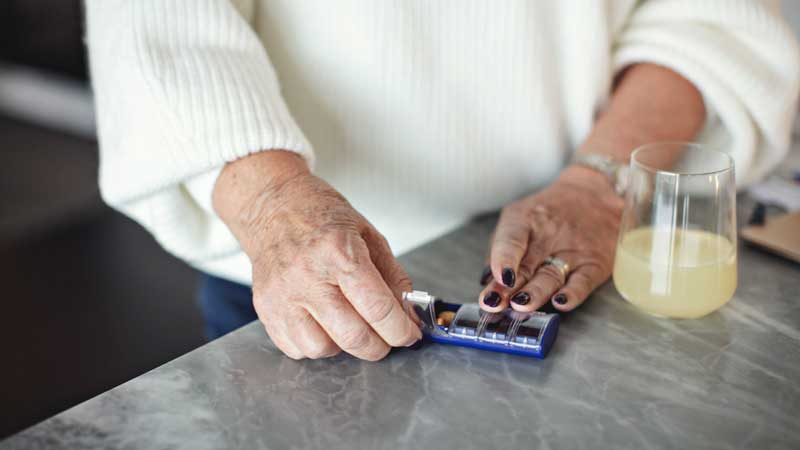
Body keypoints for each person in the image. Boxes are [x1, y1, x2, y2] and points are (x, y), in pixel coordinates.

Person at [85, 0, 799, 360]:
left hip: (589, 258)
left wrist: (596, 186)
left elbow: (714, 12)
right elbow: (155, 20)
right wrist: (272, 202)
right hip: (304, 276)